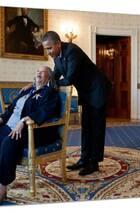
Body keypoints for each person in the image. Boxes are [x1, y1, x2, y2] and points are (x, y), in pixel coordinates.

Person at [0, 66, 60, 206]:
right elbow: (11, 108)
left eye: (43, 71)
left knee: (8, 142)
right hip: (10, 126)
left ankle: (1, 187)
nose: (38, 73)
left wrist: (24, 121)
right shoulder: (27, 90)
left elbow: (45, 112)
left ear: (49, 78)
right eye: (37, 71)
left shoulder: (50, 93)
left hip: (32, 130)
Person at [22, 31, 111, 176]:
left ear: (58, 43)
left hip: (98, 90)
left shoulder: (72, 51)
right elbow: (54, 77)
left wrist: (52, 85)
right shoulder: (57, 57)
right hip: (86, 92)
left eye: (50, 48)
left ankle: (93, 163)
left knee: (96, 127)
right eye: (46, 49)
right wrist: (34, 85)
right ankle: (84, 159)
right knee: (86, 126)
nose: (48, 52)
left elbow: (69, 79)